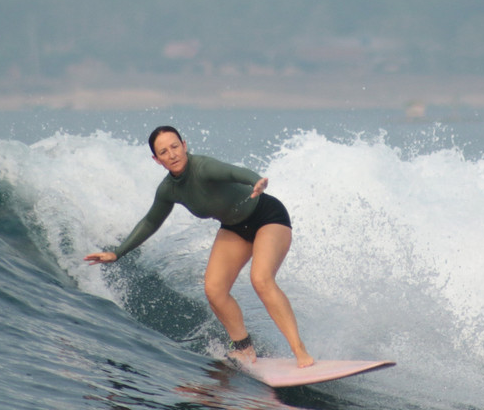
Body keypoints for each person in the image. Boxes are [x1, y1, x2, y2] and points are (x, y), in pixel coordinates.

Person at [85, 125, 314, 368]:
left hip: (266, 216)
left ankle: (300, 352)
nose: (172, 154)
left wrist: (256, 181)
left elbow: (234, 173)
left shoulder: (203, 167)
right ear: (156, 159)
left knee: (261, 279)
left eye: (175, 147)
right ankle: (243, 348)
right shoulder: (168, 190)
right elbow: (151, 220)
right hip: (235, 228)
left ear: (184, 145)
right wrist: (118, 252)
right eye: (163, 152)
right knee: (214, 289)